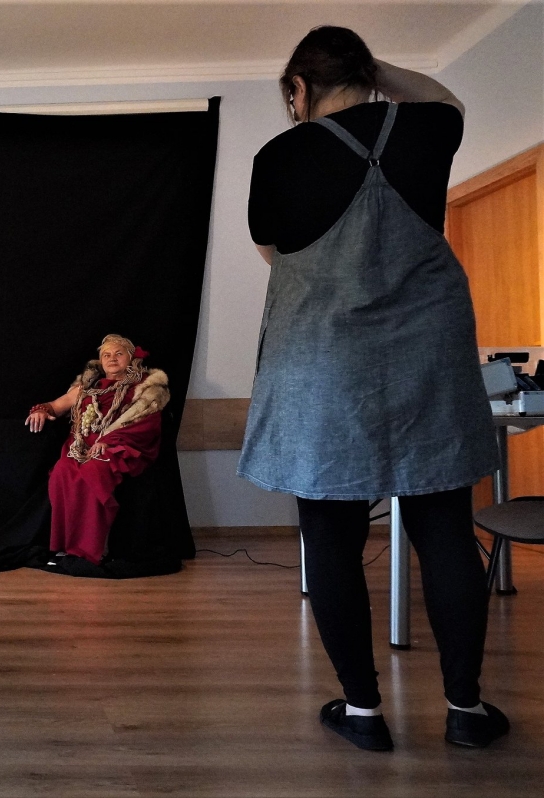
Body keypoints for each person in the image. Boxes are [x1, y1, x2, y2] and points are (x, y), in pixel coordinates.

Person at [240, 26, 507, 751]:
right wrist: (374, 70)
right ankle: (465, 711)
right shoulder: (427, 129)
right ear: (368, 74)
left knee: (330, 538)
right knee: (444, 531)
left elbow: (275, 256)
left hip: (323, 370)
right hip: (427, 363)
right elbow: (447, 98)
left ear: (298, 90)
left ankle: (362, 714)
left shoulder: (277, 157)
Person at [26, 335, 169, 564]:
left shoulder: (145, 388)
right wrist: (41, 410)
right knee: (62, 471)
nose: (112, 358)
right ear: (100, 361)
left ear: (131, 358)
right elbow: (57, 405)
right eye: (106, 355)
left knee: (94, 472)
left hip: (119, 447)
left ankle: (92, 548)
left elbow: (147, 422)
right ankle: (65, 546)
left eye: (119, 354)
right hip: (81, 448)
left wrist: (109, 442)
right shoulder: (88, 388)